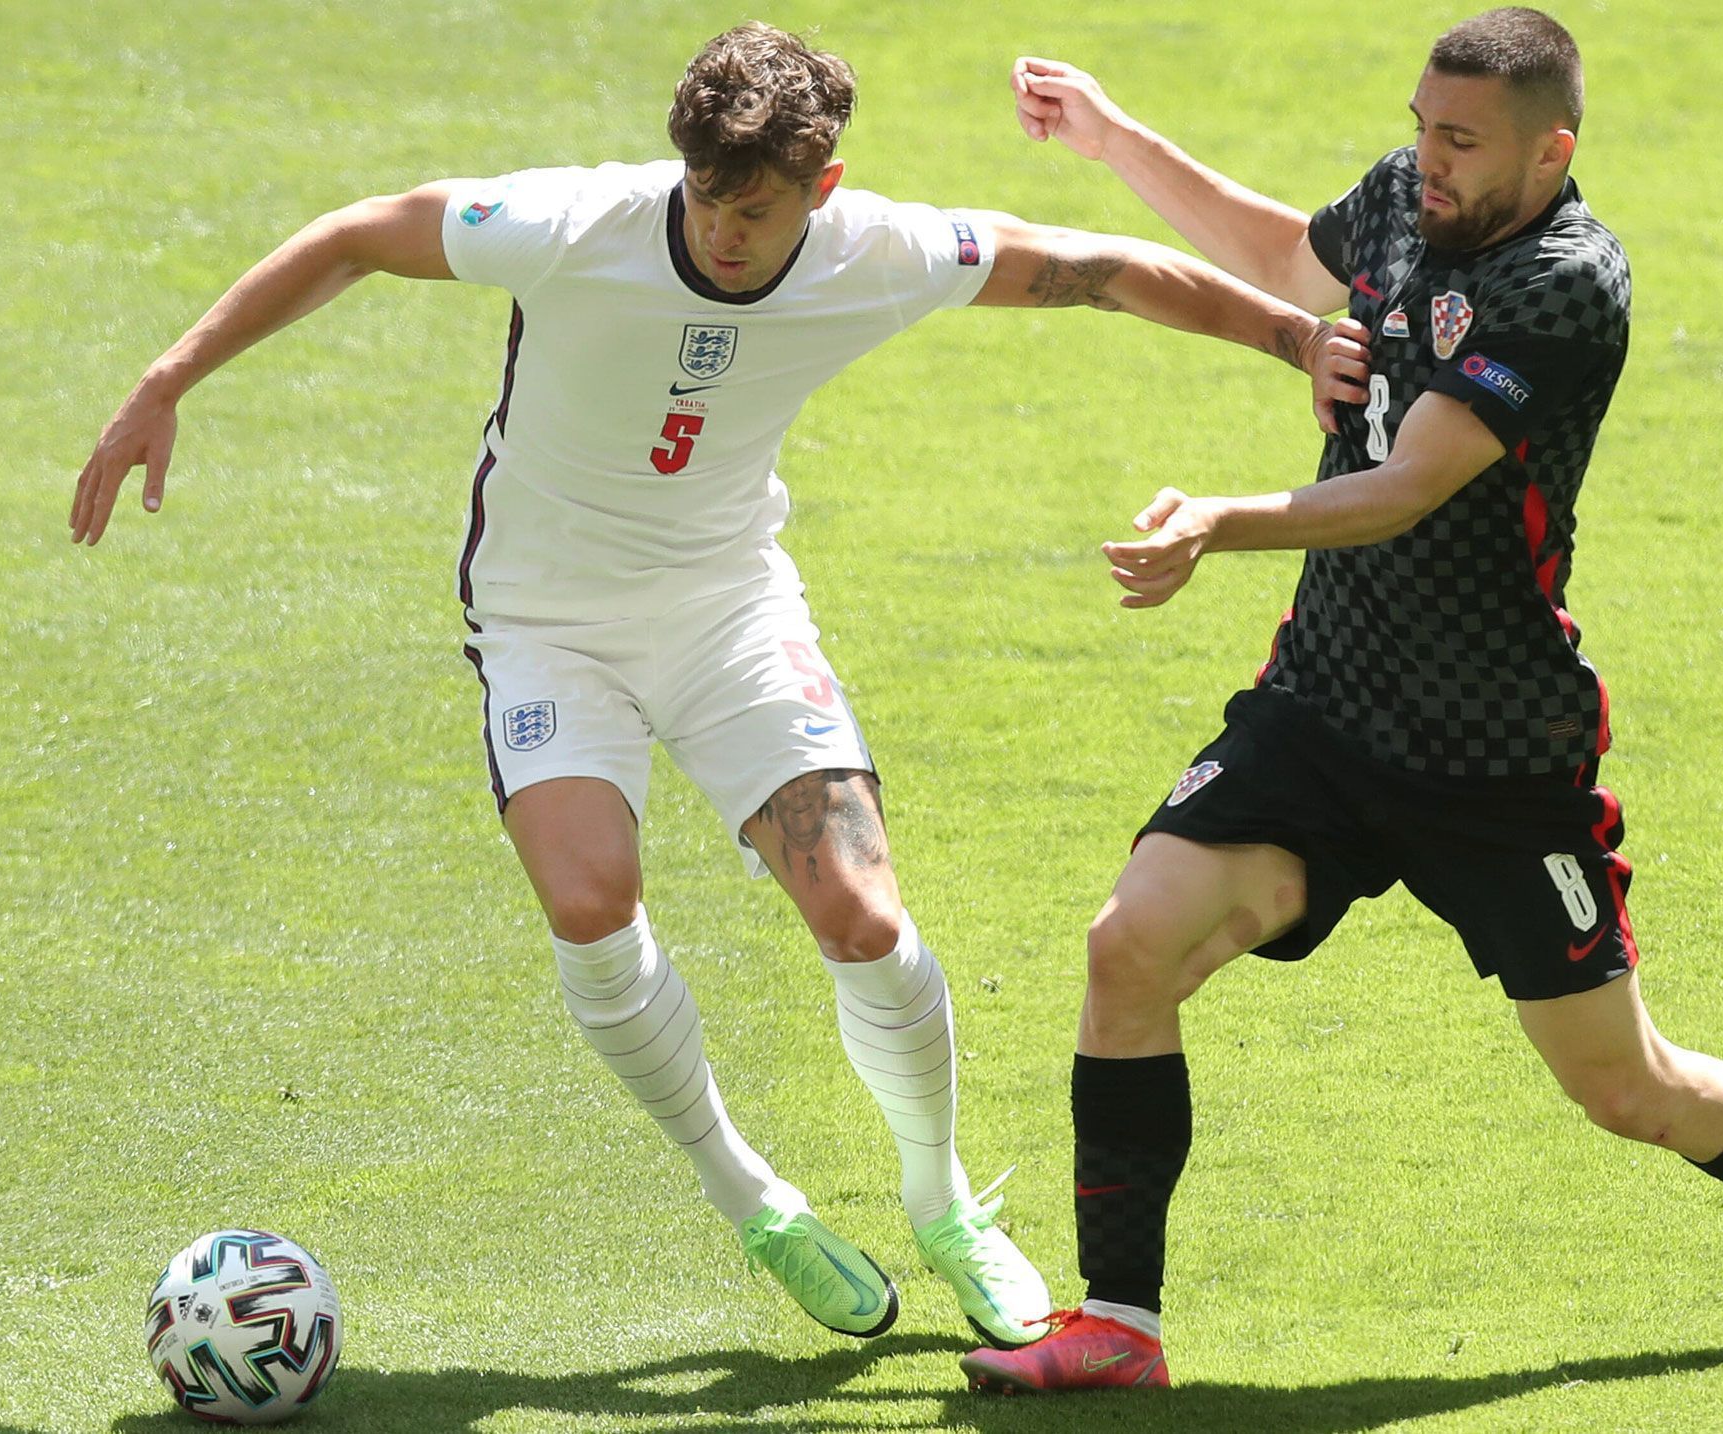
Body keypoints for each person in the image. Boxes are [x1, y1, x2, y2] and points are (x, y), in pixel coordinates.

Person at [69, 22, 1334, 1349]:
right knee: (588, 898)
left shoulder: (877, 249)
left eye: (760, 209)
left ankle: (942, 1198)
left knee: (859, 913)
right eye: (708, 202)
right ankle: (755, 1198)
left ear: (822, 191)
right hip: (547, 624)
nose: (727, 234)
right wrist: (170, 377)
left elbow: (1100, 270)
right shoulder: (570, 223)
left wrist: (1293, 339)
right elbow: (356, 234)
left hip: (728, 611)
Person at [959, 6, 1723, 1393]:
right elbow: (1291, 251)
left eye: (1459, 139)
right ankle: (1119, 1326)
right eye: (1419, 124)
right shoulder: (1415, 193)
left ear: (1549, 149)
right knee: (1129, 945)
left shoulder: (1568, 284)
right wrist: (1110, 138)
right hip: (1326, 707)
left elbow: (1405, 488)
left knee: (1625, 1086)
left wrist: (1215, 520)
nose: (1426, 159)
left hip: (1495, 759)